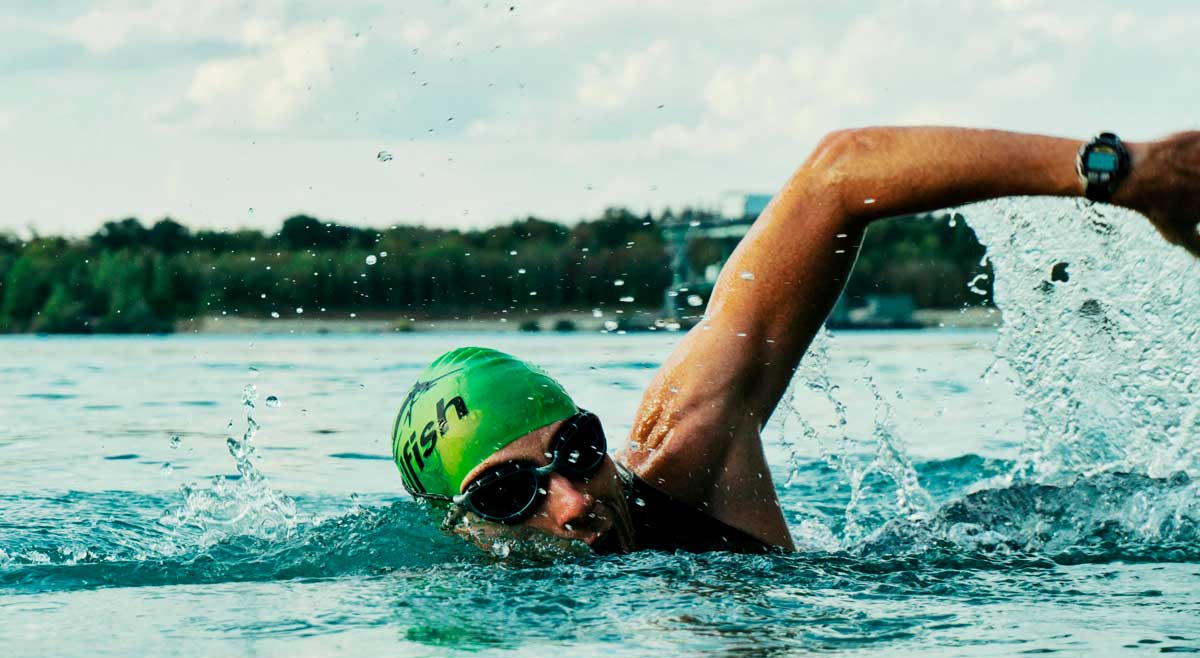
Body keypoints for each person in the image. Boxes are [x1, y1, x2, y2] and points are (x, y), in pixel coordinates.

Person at [392, 127, 1200, 555]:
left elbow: (839, 173)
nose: (571, 501)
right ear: (464, 526)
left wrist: (1125, 173)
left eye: (575, 448)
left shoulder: (683, 456)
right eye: (509, 494)